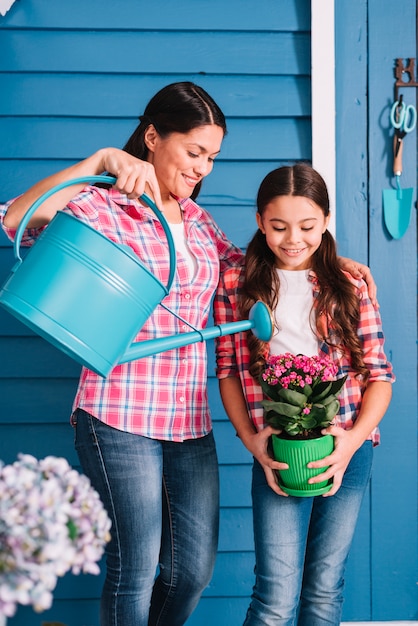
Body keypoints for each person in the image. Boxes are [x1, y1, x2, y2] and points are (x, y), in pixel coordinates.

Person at [1, 83, 377, 626]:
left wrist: (338, 264)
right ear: (153, 136)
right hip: (118, 413)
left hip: (185, 419)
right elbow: (15, 221)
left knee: (191, 570)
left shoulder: (198, 223)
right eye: (194, 152)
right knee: (135, 567)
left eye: (212, 158)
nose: (202, 167)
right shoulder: (103, 203)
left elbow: (263, 264)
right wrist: (102, 160)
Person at [214, 163, 394, 626]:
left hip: (348, 451)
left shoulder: (350, 286)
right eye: (278, 226)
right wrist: (251, 441)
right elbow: (230, 371)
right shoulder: (235, 284)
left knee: (324, 587)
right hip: (276, 449)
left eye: (308, 226)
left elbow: (379, 376)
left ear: (326, 220)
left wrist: (350, 442)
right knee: (275, 594)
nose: (293, 238)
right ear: (259, 221)